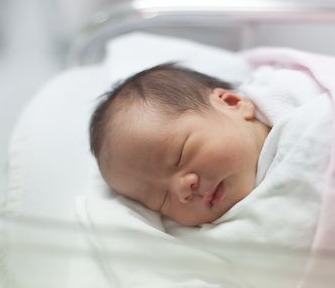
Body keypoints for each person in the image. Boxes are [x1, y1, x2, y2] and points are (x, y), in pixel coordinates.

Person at [89, 63, 271, 227]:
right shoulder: (216, 235)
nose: (183, 189)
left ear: (231, 103)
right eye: (163, 200)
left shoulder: (291, 109)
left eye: (180, 156)